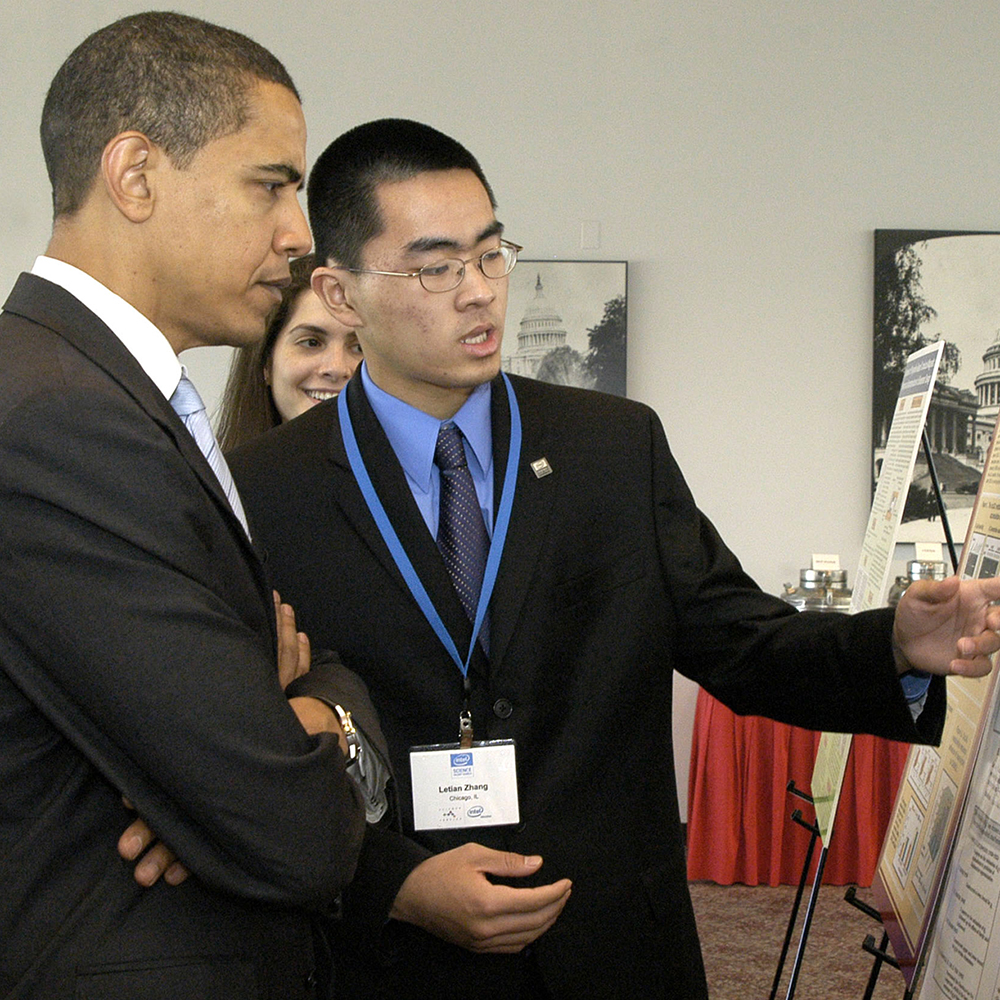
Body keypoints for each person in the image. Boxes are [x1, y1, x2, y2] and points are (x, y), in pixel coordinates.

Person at [228, 118, 1000, 999]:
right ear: (339, 290)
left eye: (491, 254)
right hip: (391, 964)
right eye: (436, 268)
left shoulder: (610, 448)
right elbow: (249, 752)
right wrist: (392, 884)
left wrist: (896, 647)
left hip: (611, 947)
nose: (479, 292)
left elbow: (744, 644)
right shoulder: (265, 492)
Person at [0, 14, 376, 999]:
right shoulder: (62, 419)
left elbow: (310, 665)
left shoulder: (113, 395)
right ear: (135, 175)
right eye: (272, 184)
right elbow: (290, 831)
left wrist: (294, 716)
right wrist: (299, 733)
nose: (298, 235)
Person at [218, 254, 363, 452]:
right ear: (266, 362)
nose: (336, 368)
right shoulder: (212, 479)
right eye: (312, 343)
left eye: (359, 347)